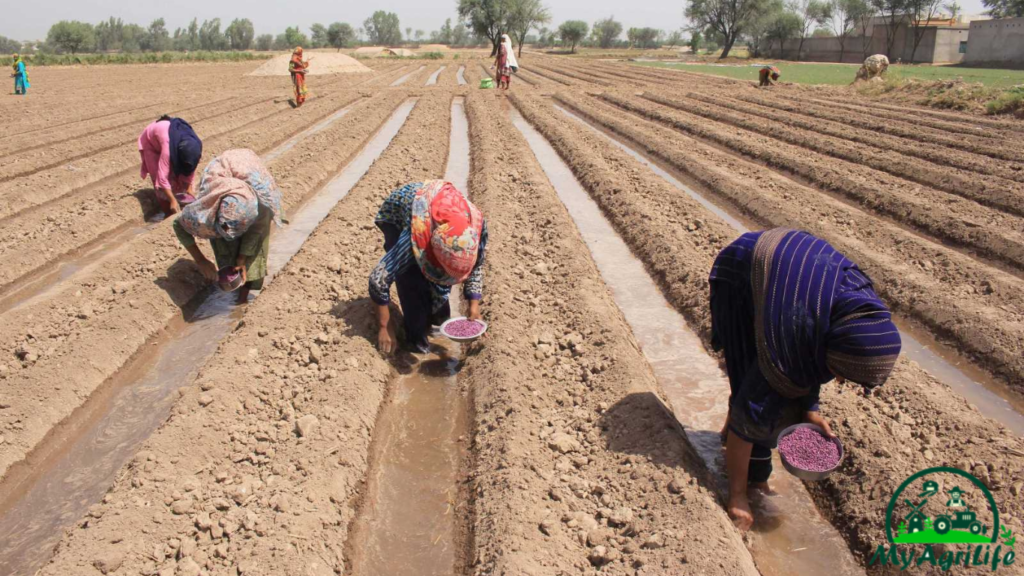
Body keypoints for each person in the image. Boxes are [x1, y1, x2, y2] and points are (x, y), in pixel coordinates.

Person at [709, 228, 902, 530]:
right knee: (749, 370)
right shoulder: (793, 330)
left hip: (791, 278)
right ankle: (745, 476)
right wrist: (738, 497)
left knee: (769, 384)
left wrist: (811, 409)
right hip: (741, 271)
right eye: (839, 374)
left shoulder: (856, 312)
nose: (837, 380)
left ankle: (735, 443)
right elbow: (756, 407)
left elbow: (811, 358)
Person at [370, 181, 487, 354]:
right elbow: (378, 279)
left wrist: (474, 306)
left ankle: (433, 318)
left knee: (436, 299)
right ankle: (415, 338)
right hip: (401, 210)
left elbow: (475, 266)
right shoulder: (413, 240)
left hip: (437, 205)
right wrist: (384, 327)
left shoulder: (475, 229)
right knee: (411, 279)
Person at [173, 149, 283, 305]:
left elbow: (256, 232)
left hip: (250, 176)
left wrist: (242, 258)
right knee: (224, 246)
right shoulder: (206, 208)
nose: (232, 234)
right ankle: (232, 280)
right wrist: (200, 260)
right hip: (222, 179)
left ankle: (242, 297)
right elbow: (178, 224)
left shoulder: (261, 206)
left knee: (252, 253)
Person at [138, 116, 203, 216]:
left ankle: (179, 202)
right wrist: (172, 200)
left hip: (170, 138)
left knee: (180, 178)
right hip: (151, 140)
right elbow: (162, 177)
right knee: (159, 178)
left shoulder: (195, 145)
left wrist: (189, 188)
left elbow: (190, 168)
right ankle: (167, 211)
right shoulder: (168, 149)